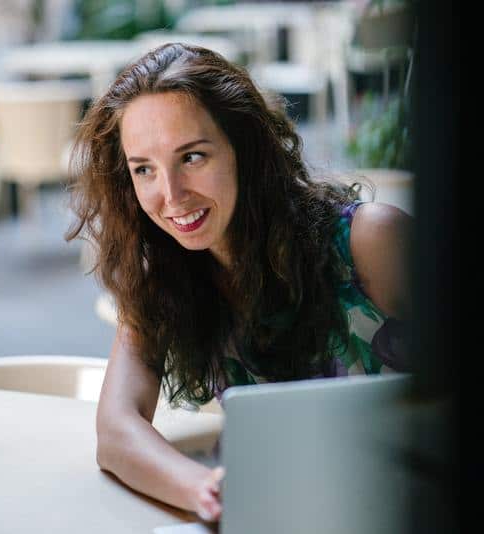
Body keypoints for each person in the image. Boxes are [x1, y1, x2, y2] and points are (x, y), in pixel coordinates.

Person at [65, 43, 412, 522]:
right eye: (144, 168)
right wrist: (206, 489)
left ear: (244, 149)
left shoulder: (370, 241)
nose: (171, 195)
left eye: (192, 157)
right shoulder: (161, 279)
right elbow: (116, 430)